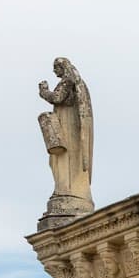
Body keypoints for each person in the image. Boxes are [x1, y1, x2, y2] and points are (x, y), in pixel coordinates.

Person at [38, 58, 94, 207]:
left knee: (64, 158)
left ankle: (66, 189)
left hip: (68, 124)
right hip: (65, 122)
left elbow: (57, 97)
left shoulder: (68, 80)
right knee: (57, 159)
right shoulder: (72, 81)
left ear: (62, 67)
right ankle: (62, 188)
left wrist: (44, 91)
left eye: (56, 68)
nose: (54, 71)